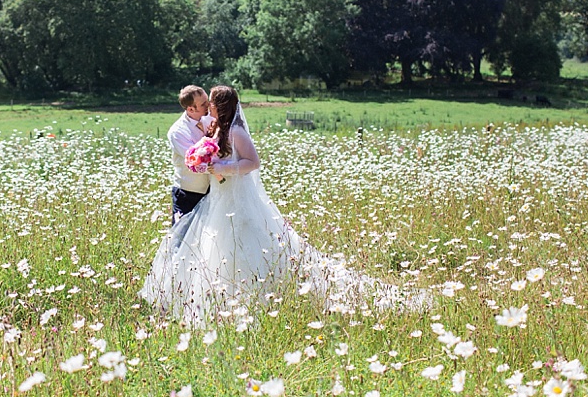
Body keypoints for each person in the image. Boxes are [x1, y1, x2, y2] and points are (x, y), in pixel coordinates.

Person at [141, 85, 430, 326]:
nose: (208, 110)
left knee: (243, 242)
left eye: (211, 105)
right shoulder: (214, 129)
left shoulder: (236, 132)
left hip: (232, 193)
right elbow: (204, 154)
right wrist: (209, 162)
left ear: (221, 107)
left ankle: (253, 296)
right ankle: (212, 299)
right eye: (204, 105)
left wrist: (222, 168)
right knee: (213, 247)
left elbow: (252, 163)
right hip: (214, 196)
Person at [167, 85, 211, 225]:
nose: (208, 105)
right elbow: (196, 161)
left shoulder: (209, 118)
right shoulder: (178, 132)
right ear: (191, 109)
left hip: (212, 191)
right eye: (203, 104)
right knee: (181, 238)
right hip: (189, 192)